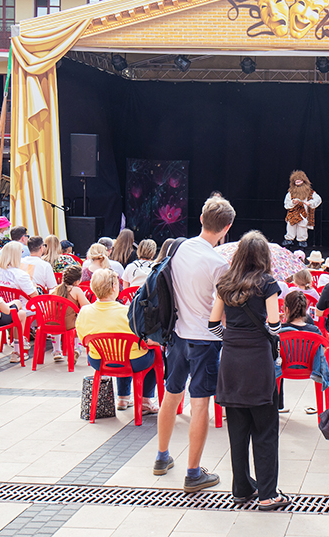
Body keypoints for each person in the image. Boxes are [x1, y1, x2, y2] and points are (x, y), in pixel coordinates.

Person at [154, 196, 234, 493]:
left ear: (201, 219)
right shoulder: (219, 264)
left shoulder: (179, 248)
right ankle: (192, 472)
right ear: (226, 228)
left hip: (177, 335)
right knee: (200, 405)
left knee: (171, 396)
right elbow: (221, 309)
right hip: (205, 340)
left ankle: (162, 457)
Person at [208, 230, 290, 511]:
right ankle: (268, 494)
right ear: (264, 256)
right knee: (265, 430)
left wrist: (232, 338)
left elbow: (213, 325)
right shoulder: (268, 284)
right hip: (258, 362)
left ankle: (242, 488)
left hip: (230, 361)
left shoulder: (225, 283)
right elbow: (275, 325)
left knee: (238, 431)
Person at [76, 268, 159, 414]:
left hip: (99, 360)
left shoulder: (84, 311)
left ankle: (123, 398)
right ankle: (145, 400)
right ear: (115, 287)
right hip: (133, 361)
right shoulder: (127, 312)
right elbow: (145, 339)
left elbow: (84, 340)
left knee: (121, 351)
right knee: (152, 355)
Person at [51, 264, 90, 363]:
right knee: (80, 320)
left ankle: (57, 351)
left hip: (51, 323)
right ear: (77, 281)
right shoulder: (76, 290)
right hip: (68, 325)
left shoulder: (55, 290)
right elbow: (86, 306)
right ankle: (77, 348)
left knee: (59, 320)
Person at [283, 170, 322, 248]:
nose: (298, 185)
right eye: (296, 183)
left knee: (302, 228)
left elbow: (318, 199)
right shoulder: (290, 193)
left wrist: (310, 203)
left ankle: (302, 242)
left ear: (304, 182)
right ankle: (289, 240)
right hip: (292, 215)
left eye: (300, 182)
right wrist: (293, 202)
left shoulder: (310, 193)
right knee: (291, 227)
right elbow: (286, 204)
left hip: (304, 215)